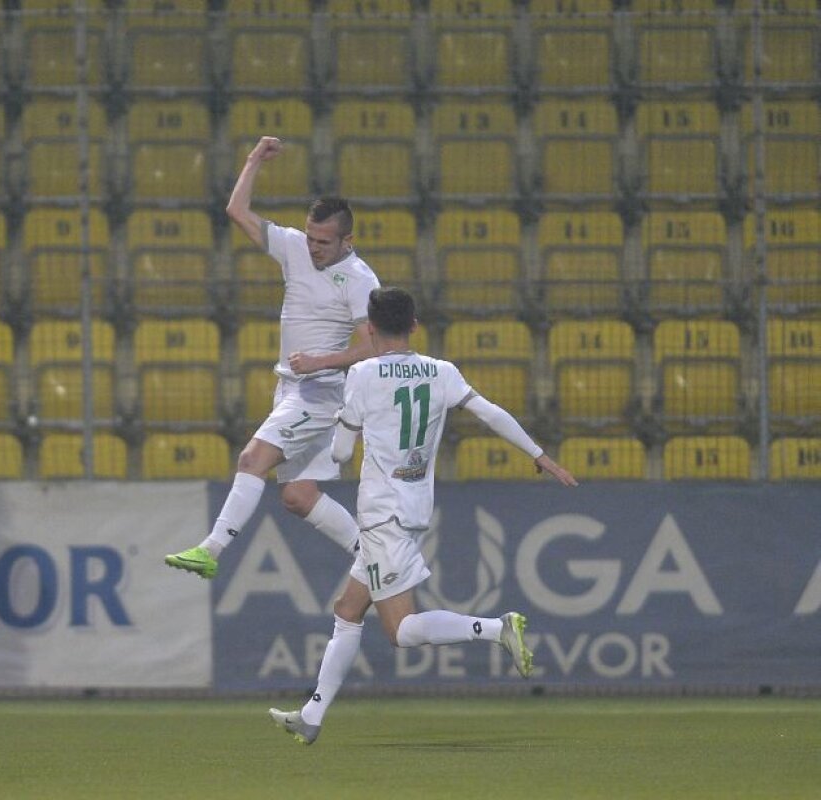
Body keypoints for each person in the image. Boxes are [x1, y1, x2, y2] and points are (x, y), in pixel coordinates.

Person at [269, 287, 578, 745]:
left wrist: (331, 434)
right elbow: (491, 414)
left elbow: (339, 452)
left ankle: (497, 628)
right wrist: (540, 455)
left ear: (369, 329)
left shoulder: (363, 373)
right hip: (412, 507)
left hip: (380, 514)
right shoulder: (441, 371)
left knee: (402, 632)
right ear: (414, 325)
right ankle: (313, 717)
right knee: (348, 610)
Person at [164, 136, 381, 579]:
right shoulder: (295, 247)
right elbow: (237, 212)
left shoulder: (360, 280)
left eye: (324, 241)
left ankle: (212, 549)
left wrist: (320, 362)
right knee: (298, 496)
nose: (313, 247)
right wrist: (252, 162)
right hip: (291, 387)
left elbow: (373, 347)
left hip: (320, 393)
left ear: (347, 240)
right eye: (311, 236)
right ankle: (375, 555)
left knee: (251, 460)